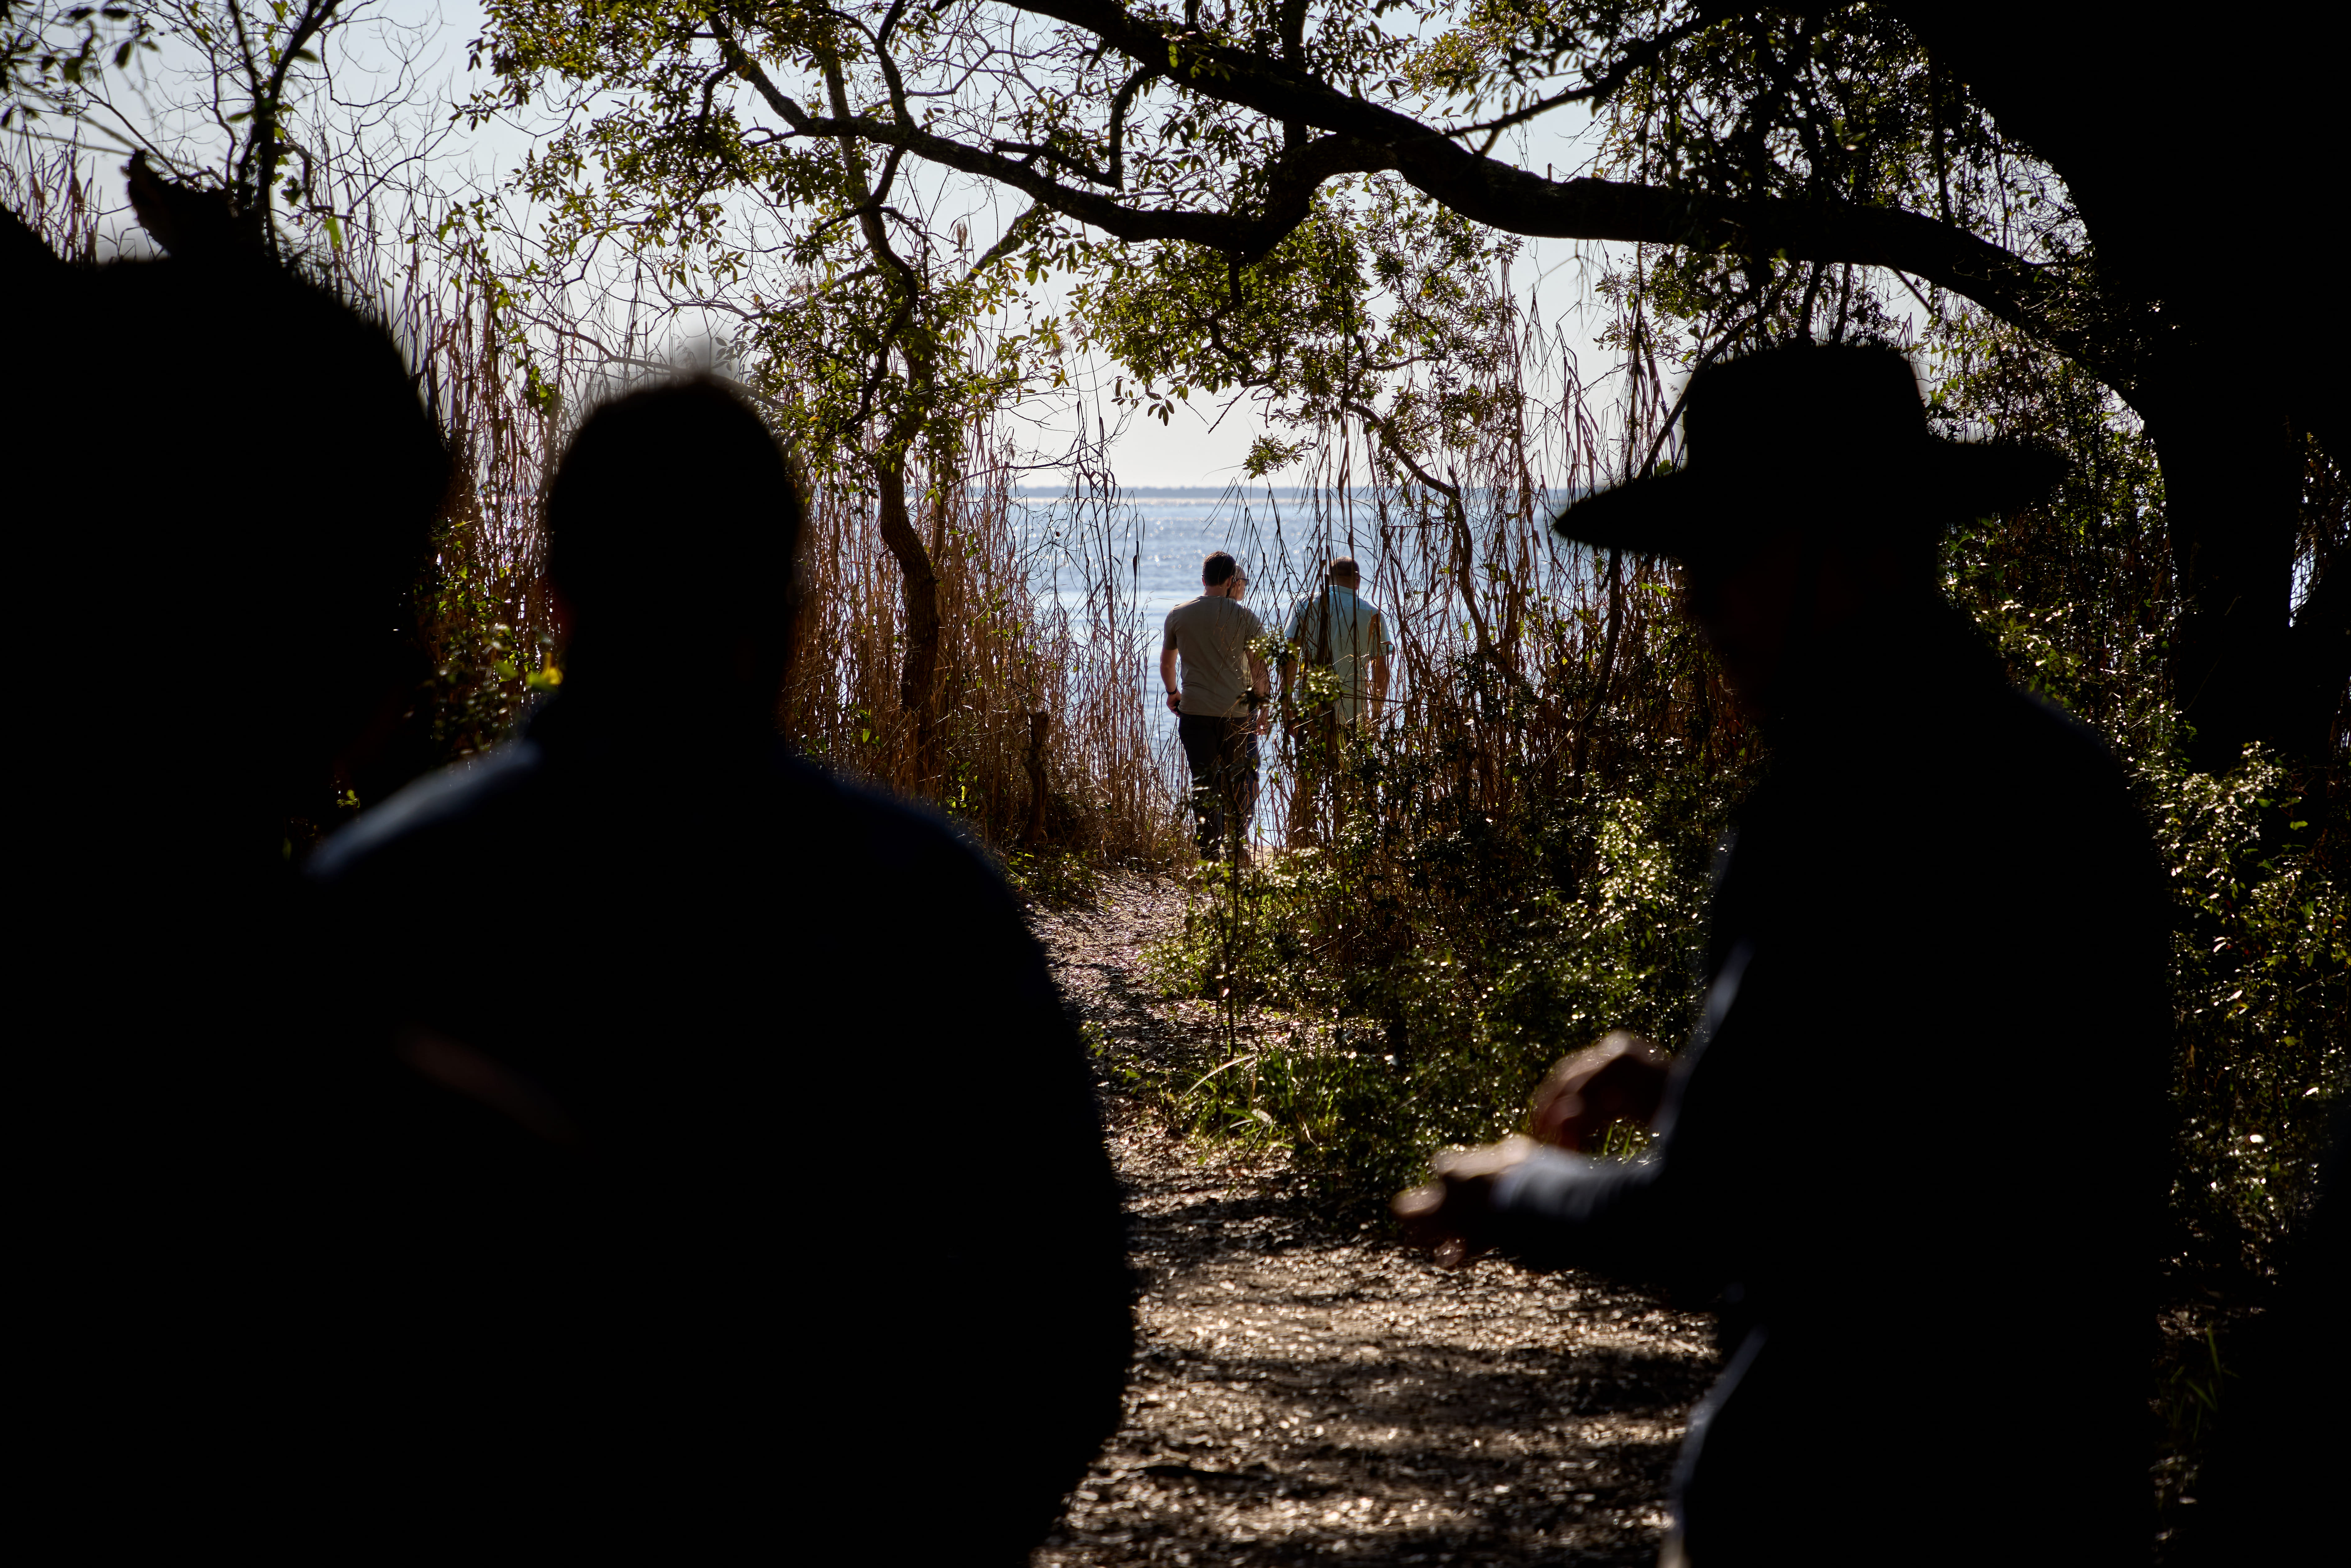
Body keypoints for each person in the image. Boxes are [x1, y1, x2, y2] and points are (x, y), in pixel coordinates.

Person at [307, 380, 1133, 1556]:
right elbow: (1066, 1321)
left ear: (554, 601)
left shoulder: (375, 898)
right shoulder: (924, 900)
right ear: (791, 612)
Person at [1394, 343, 2167, 1565]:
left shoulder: (1838, 804)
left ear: (1850, 552)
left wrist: (1508, 1186)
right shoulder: (2064, 780)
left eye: (1723, 555)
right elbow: (1934, 1140)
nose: (1693, 601)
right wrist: (1694, 1095)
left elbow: (1709, 1218)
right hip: (2062, 1490)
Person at [1161, 550, 1271, 863]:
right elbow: (1259, 670)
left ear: (1204, 580)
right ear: (1230, 582)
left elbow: (1168, 665)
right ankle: (1237, 848)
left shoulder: (1179, 614)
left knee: (1203, 782)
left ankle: (1209, 854)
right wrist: (1263, 710)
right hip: (1236, 715)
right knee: (1238, 781)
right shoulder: (1246, 617)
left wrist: (1173, 693)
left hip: (1195, 712)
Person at [1279, 555, 1392, 847]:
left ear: (1330, 580)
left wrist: (1288, 706)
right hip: (1353, 713)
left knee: (1307, 784)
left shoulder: (1307, 606)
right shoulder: (1372, 614)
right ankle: (1351, 848)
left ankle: (1302, 847)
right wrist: (1376, 714)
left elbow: (1290, 659)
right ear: (1357, 581)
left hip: (1311, 710)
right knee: (1353, 786)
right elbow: (1382, 672)